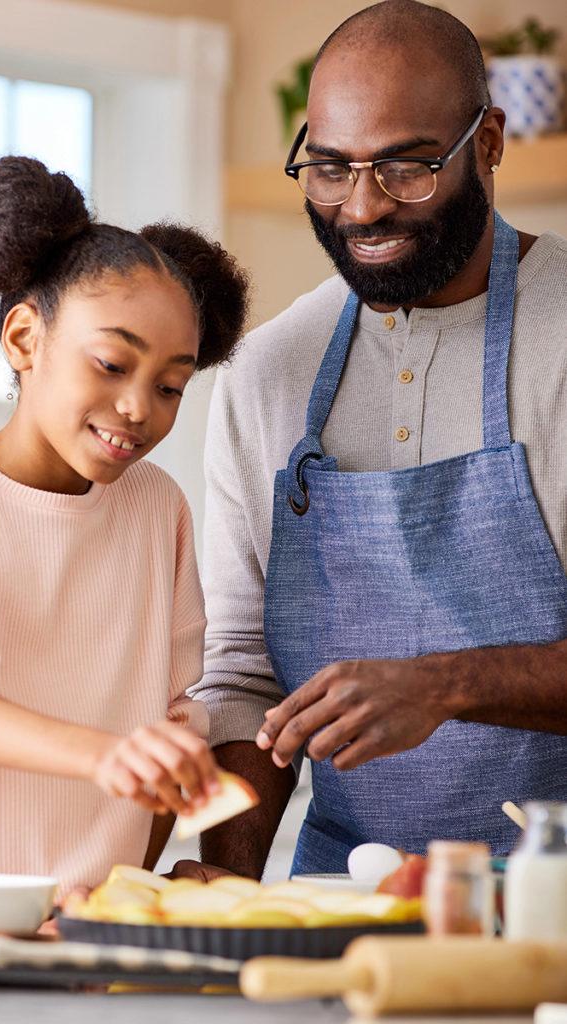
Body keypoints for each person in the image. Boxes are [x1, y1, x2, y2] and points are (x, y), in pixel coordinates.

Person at [186, 0, 567, 879]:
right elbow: (246, 677)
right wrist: (232, 891)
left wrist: (442, 687)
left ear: (490, 142)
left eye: (406, 168)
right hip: (344, 906)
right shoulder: (268, 369)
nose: (362, 208)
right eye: (328, 168)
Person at [0, 156, 249, 890]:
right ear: (25, 338)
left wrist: (123, 890)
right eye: (111, 364)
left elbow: (171, 728)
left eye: (170, 386)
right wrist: (101, 753)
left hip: (84, 925)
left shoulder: (159, 509)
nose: (138, 408)